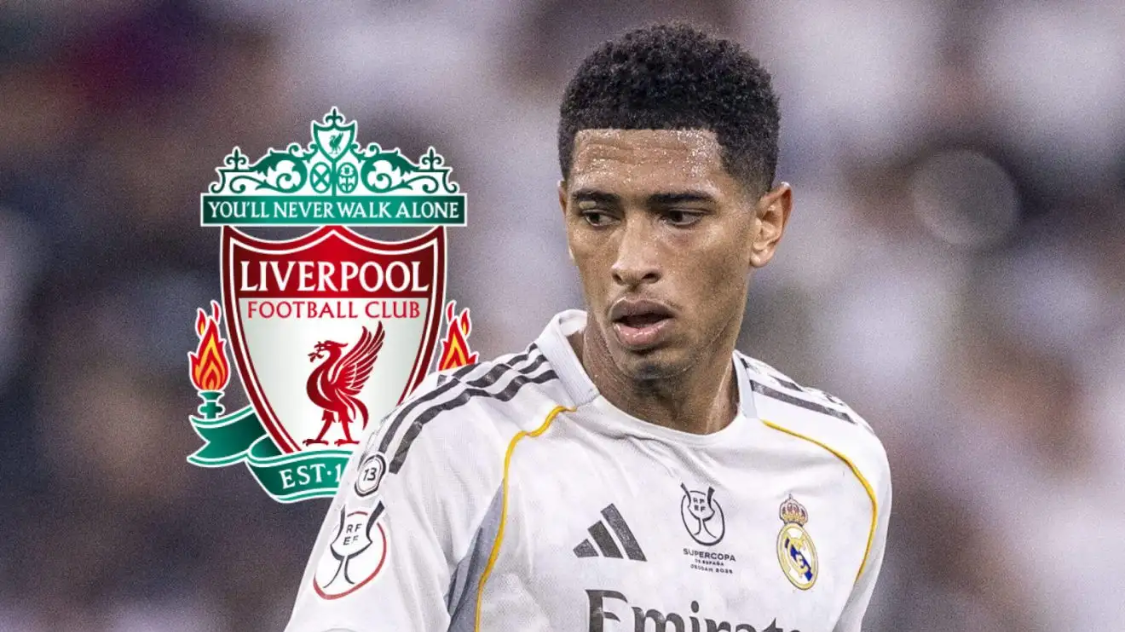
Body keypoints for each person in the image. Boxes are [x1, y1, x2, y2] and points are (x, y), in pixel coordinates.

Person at [285, 22, 891, 632]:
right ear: (564, 215)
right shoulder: (455, 447)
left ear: (766, 224)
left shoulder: (840, 468)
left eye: (679, 216)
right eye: (598, 215)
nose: (631, 262)